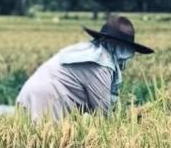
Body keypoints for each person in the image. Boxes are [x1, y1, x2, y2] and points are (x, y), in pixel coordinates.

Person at [16, 15, 153, 120]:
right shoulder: (101, 64)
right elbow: (103, 113)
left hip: (29, 92)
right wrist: (132, 118)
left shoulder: (86, 50)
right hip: (48, 100)